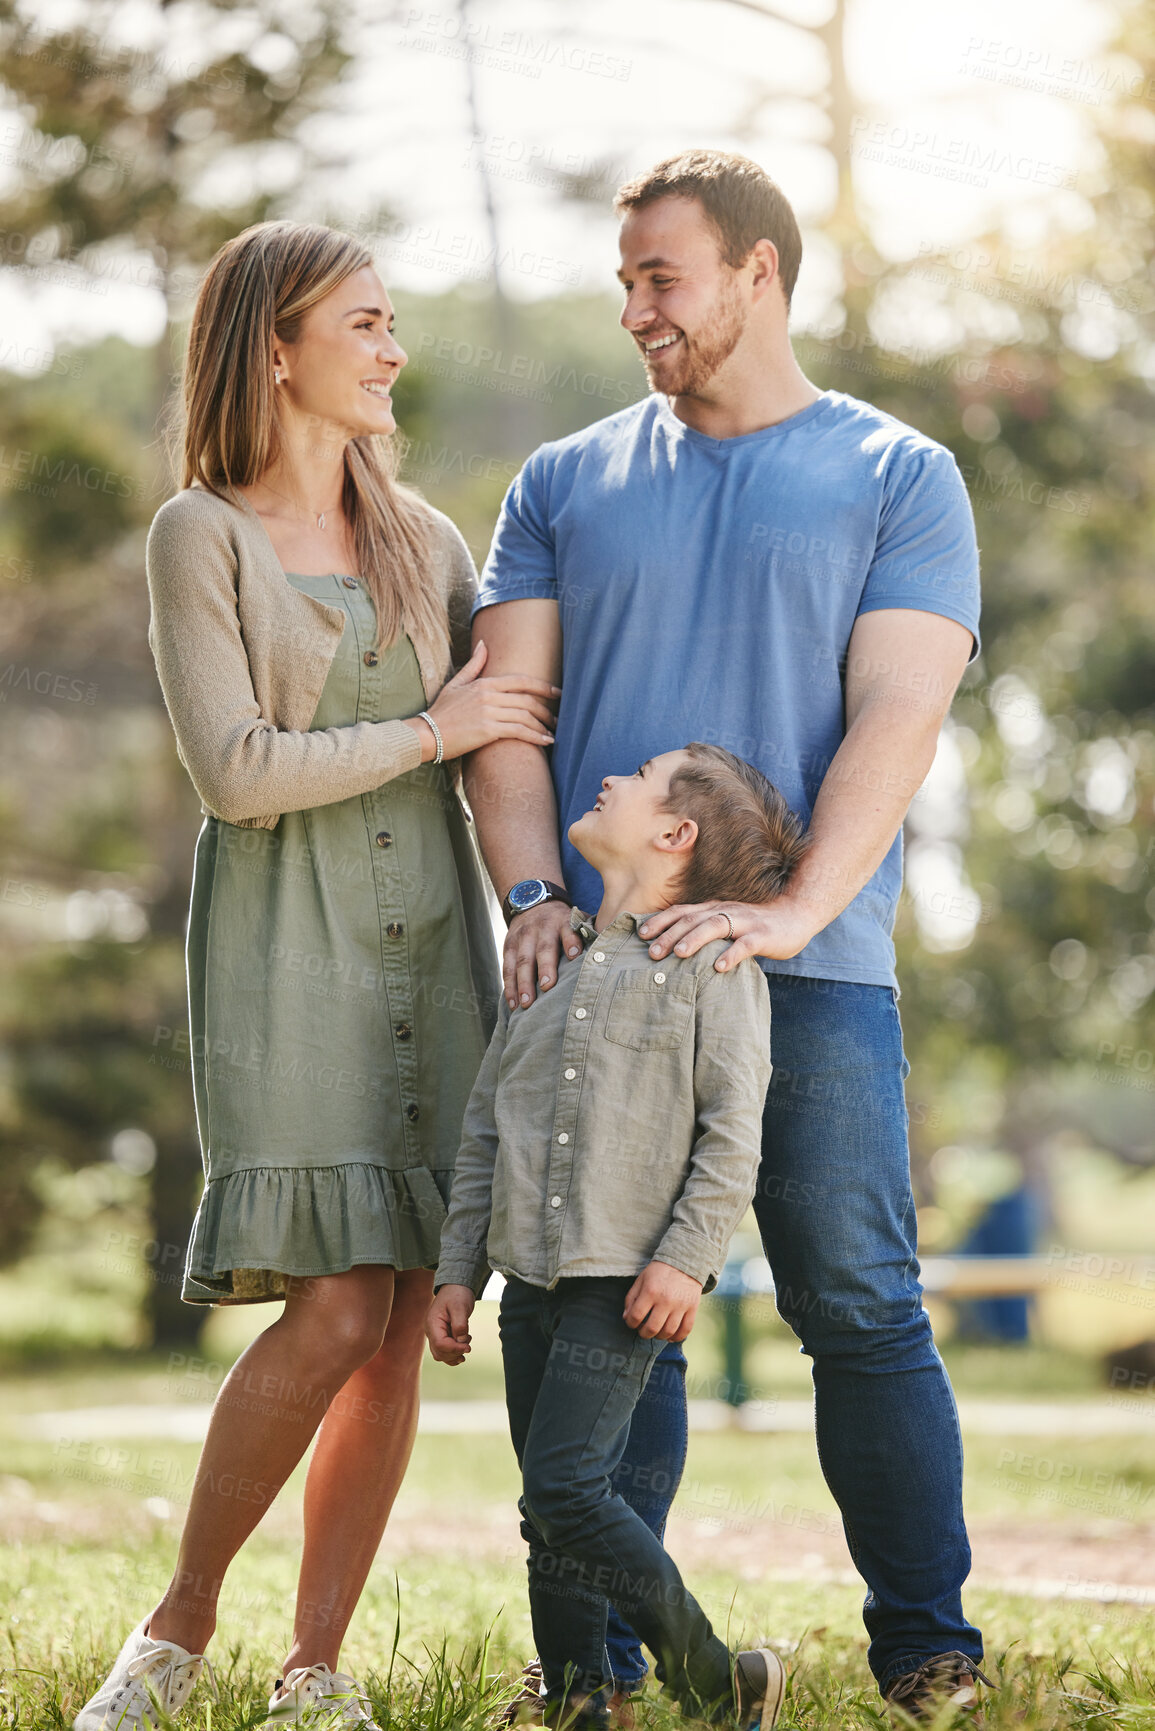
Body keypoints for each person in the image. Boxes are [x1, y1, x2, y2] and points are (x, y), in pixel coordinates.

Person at [462, 150, 991, 1718]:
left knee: (858, 1303)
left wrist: (790, 910)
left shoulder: (898, 473)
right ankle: (600, 1679)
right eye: (623, 277)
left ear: (756, 273)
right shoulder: (560, 480)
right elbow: (509, 716)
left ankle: (928, 1651)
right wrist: (535, 897)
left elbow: (899, 705)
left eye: (659, 276)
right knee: (602, 1306)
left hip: (807, 973)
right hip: (599, 987)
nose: (632, 307)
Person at [74, 221, 558, 1731]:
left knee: (407, 1294)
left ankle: (315, 1669)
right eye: (363, 320)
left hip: (437, 946)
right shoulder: (197, 535)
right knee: (336, 1301)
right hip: (291, 952)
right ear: (273, 345)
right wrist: (432, 728)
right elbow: (236, 773)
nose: (391, 346)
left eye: (391, 319)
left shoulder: (431, 540)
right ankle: (172, 1634)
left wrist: (534, 902)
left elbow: (506, 749)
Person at [427, 744, 809, 1731]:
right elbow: (483, 1132)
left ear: (674, 834)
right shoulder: (547, 963)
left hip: (625, 1281)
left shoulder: (714, 969)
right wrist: (458, 1269)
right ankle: (581, 1703)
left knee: (565, 1483)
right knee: (547, 1510)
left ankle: (718, 1677)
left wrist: (689, 1260)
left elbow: (734, 1134)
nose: (609, 778)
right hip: (530, 1285)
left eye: (638, 776)